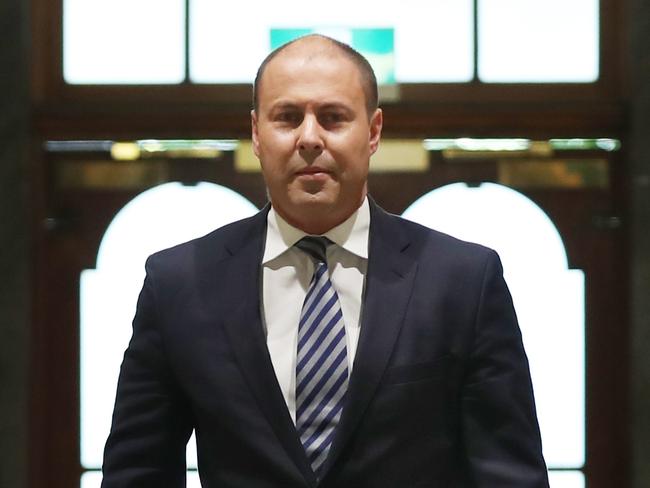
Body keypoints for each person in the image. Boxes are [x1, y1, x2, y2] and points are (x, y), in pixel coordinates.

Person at [102, 34, 549, 487]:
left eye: (333, 118)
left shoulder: (463, 281)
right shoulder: (178, 283)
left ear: (373, 131)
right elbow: (138, 472)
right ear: (257, 133)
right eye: (287, 118)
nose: (309, 138)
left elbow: (509, 474)